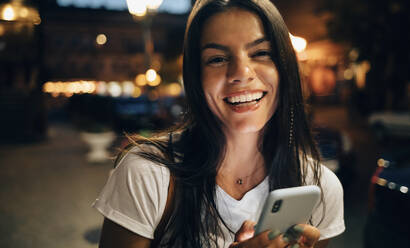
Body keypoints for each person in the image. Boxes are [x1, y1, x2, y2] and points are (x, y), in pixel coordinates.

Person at [93, 0, 345, 247]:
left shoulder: (320, 187)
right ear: (196, 77)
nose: (241, 73)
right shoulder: (147, 174)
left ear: (285, 67)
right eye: (217, 59)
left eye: (261, 53)